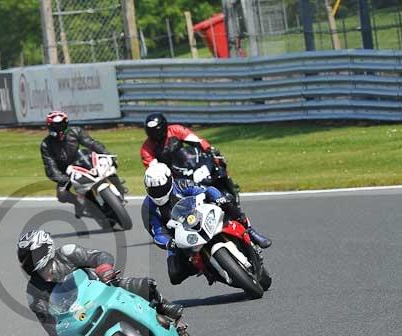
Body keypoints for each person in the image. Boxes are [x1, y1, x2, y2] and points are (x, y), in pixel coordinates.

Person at [18, 229, 183, 336]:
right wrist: (62, 334)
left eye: (44, 268)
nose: (43, 275)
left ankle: (163, 306)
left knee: (144, 285)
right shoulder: (34, 291)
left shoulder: (67, 253)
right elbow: (47, 321)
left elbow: (99, 256)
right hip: (80, 317)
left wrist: (104, 270)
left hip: (104, 290)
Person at [140, 112, 272, 249]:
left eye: (157, 131)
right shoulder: (146, 148)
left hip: (191, 163)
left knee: (219, 169)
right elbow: (155, 169)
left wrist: (209, 150)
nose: (155, 135)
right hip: (176, 176)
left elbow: (196, 140)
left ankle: (250, 230)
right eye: (151, 132)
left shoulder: (175, 130)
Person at [141, 162, 266, 285]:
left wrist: (218, 198)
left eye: (161, 188)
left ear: (170, 180)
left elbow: (206, 190)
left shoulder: (183, 184)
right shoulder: (148, 208)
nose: (158, 193)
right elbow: (158, 233)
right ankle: (205, 268)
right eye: (154, 190)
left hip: (200, 216)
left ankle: (250, 231)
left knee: (227, 202)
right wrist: (169, 242)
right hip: (178, 237)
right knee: (175, 274)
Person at [40, 111, 128, 218]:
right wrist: (62, 179)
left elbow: (92, 143)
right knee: (62, 195)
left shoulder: (76, 131)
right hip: (67, 173)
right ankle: (78, 202)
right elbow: (50, 166)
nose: (59, 127)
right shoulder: (46, 144)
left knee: (109, 166)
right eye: (56, 125)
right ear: (50, 126)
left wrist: (106, 154)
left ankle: (120, 188)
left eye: (62, 124)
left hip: (84, 162)